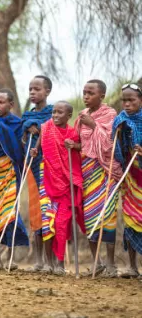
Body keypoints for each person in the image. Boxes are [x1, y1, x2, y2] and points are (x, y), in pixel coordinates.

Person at [31, 101, 85, 275]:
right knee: (47, 222)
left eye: (59, 113)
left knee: (61, 223)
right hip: (46, 180)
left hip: (65, 184)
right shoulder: (46, 128)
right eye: (54, 112)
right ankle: (48, 263)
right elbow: (38, 148)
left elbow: (82, 149)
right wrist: (34, 151)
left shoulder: (72, 133)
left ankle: (59, 263)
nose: (55, 115)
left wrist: (74, 146)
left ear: (68, 116)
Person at [74, 79, 122, 277]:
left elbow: (112, 143)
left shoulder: (110, 115)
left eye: (90, 93)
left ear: (101, 96)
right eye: (84, 92)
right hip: (87, 171)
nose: (86, 96)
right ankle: (97, 263)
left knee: (108, 215)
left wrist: (94, 125)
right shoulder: (81, 116)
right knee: (90, 216)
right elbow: (82, 144)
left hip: (106, 171)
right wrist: (72, 145)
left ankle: (111, 264)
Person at [0, 89, 29, 271]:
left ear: (11, 104)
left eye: (1, 102)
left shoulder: (18, 124)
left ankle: (10, 258)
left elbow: (19, 150)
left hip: (10, 172)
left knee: (9, 214)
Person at [21, 75, 54, 272]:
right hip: (32, 168)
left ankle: (52, 261)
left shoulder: (54, 114)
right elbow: (21, 141)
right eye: (30, 89)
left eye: (37, 89)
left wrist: (41, 129)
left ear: (47, 91)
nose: (33, 92)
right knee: (36, 212)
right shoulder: (26, 117)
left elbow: (58, 133)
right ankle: (39, 261)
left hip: (50, 169)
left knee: (49, 212)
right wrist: (27, 130)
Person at [112, 83, 142, 278]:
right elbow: (117, 150)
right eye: (124, 100)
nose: (127, 104)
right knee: (131, 220)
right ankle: (132, 267)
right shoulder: (119, 121)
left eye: (131, 100)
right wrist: (119, 134)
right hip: (129, 178)